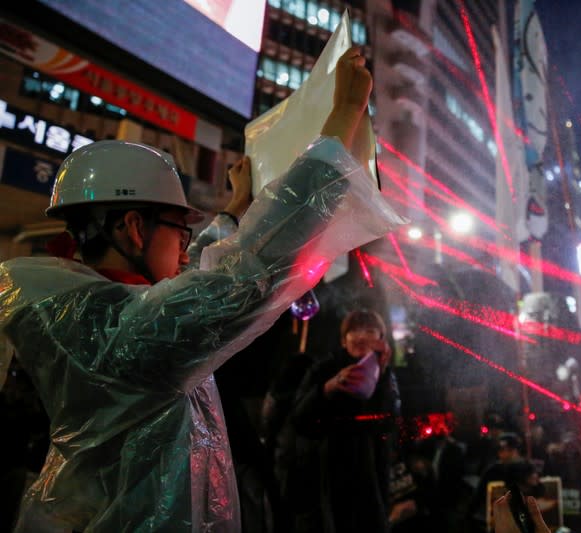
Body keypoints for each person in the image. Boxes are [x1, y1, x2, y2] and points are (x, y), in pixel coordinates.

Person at [0, 46, 404, 532]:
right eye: (179, 230)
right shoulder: (133, 337)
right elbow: (242, 274)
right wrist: (342, 116)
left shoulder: (94, 321)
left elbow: (201, 278)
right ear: (133, 228)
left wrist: (235, 208)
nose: (187, 248)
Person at [290, 309, 401, 533]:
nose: (361, 336)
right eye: (354, 331)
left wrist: (382, 373)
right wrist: (328, 388)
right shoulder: (324, 369)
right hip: (328, 468)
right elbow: (299, 420)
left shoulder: (384, 374)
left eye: (370, 331)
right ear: (343, 339)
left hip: (371, 469)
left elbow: (391, 421)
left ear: (381, 340)